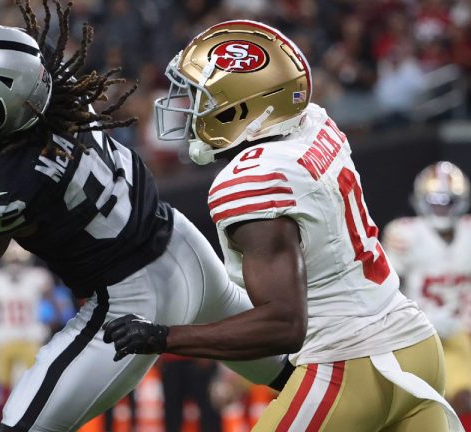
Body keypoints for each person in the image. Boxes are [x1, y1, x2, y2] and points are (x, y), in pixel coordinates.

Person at [0, 2, 290, 430]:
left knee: (22, 425)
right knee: (297, 377)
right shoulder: (57, 86)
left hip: (130, 300)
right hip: (183, 244)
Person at [103, 20, 459, 431]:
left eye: (202, 99)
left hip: (350, 362)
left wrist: (163, 337)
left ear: (239, 108)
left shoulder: (252, 180)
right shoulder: (312, 122)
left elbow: (284, 324)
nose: (191, 111)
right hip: (415, 343)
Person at [383, 161, 471, 430]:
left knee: (462, 400)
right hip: (419, 330)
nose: (441, 207)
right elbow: (386, 285)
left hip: (463, 335)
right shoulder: (406, 233)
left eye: (447, 201)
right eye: (435, 200)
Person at [0, 241, 53, 407]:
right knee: (2, 388)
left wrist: (45, 326)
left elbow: (55, 308)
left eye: (18, 259)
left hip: (28, 338)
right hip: (5, 338)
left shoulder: (37, 277)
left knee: (32, 386)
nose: (15, 263)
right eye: (12, 260)